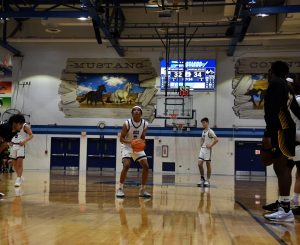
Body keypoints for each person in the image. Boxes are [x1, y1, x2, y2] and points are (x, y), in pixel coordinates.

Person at [262, 61, 300, 222]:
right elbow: (298, 111)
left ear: (272, 71)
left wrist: (269, 134)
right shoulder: (287, 87)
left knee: (281, 167)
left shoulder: (277, 84)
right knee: (282, 167)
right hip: (287, 131)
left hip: (280, 131)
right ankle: (285, 207)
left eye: (269, 70)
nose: (268, 74)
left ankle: (285, 209)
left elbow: (274, 111)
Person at [116, 106, 151, 198]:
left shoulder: (145, 124)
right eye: (134, 110)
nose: (136, 111)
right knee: (126, 165)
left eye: (138, 110)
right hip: (127, 146)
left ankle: (142, 189)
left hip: (137, 147)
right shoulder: (127, 123)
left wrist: (142, 143)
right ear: (132, 113)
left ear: (141, 113)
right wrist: (131, 142)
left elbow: (143, 137)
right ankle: (120, 189)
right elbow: (121, 138)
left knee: (146, 166)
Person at [0, 114, 25, 199]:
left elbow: (4, 144)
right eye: (20, 124)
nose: (22, 126)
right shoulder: (5, 128)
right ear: (14, 123)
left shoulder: (14, 133)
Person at [10, 121, 33, 187]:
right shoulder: (13, 125)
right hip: (13, 145)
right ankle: (20, 177)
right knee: (14, 165)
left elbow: (31, 135)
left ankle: (18, 179)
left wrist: (24, 141)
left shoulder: (25, 126)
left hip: (20, 146)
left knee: (19, 163)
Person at [197, 117, 218, 187]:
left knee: (207, 164)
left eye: (204, 123)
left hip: (207, 150)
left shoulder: (210, 131)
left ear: (207, 123)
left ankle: (208, 180)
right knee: (199, 164)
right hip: (202, 149)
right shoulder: (203, 131)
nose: (203, 124)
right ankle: (202, 178)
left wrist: (211, 145)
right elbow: (202, 138)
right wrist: (201, 142)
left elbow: (216, 139)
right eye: (202, 123)